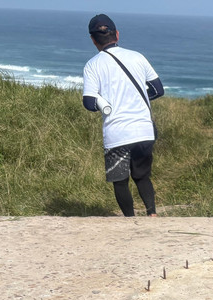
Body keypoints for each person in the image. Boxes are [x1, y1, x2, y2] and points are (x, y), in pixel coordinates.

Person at [82, 13, 164, 217]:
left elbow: (89, 103)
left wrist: (105, 103)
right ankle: (152, 214)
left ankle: (130, 221)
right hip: (144, 130)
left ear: (93, 40)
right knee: (142, 177)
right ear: (116, 34)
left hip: (117, 134)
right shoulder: (138, 57)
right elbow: (157, 90)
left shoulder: (93, 65)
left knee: (120, 181)